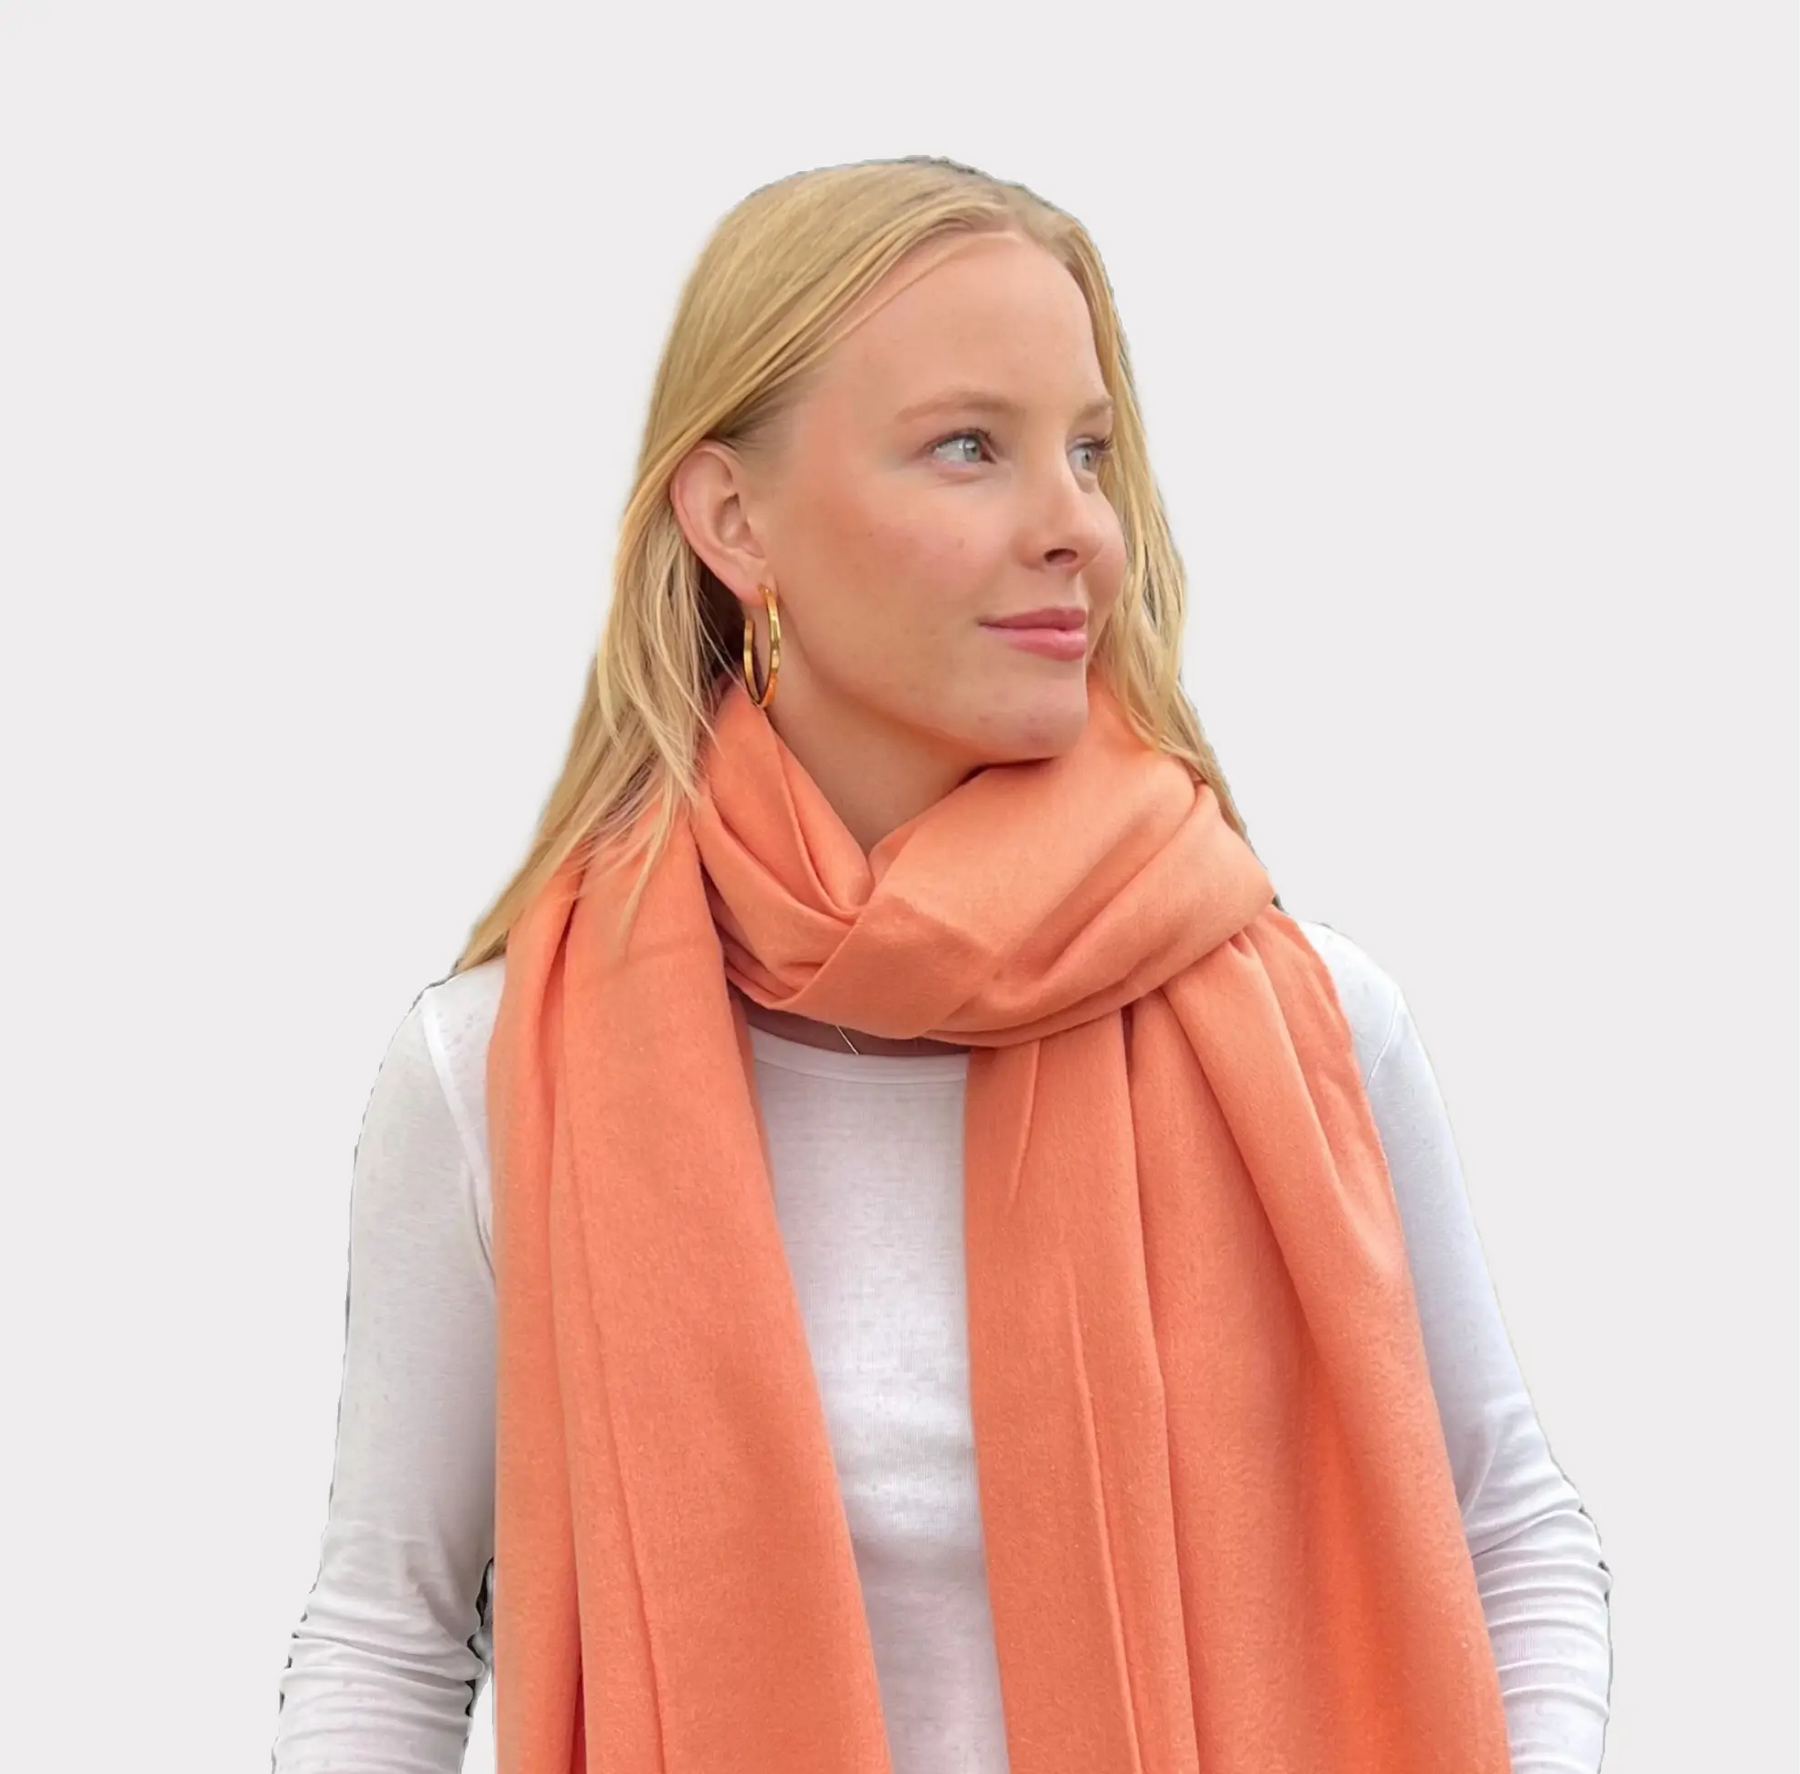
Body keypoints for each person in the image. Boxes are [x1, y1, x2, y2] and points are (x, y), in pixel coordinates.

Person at [269, 155, 1613, 1773]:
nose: (1077, 528)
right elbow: (391, 1635)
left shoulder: (1313, 1025)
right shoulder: (499, 1072)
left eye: (1090, 452)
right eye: (970, 446)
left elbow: (1514, 1533)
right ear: (735, 520)